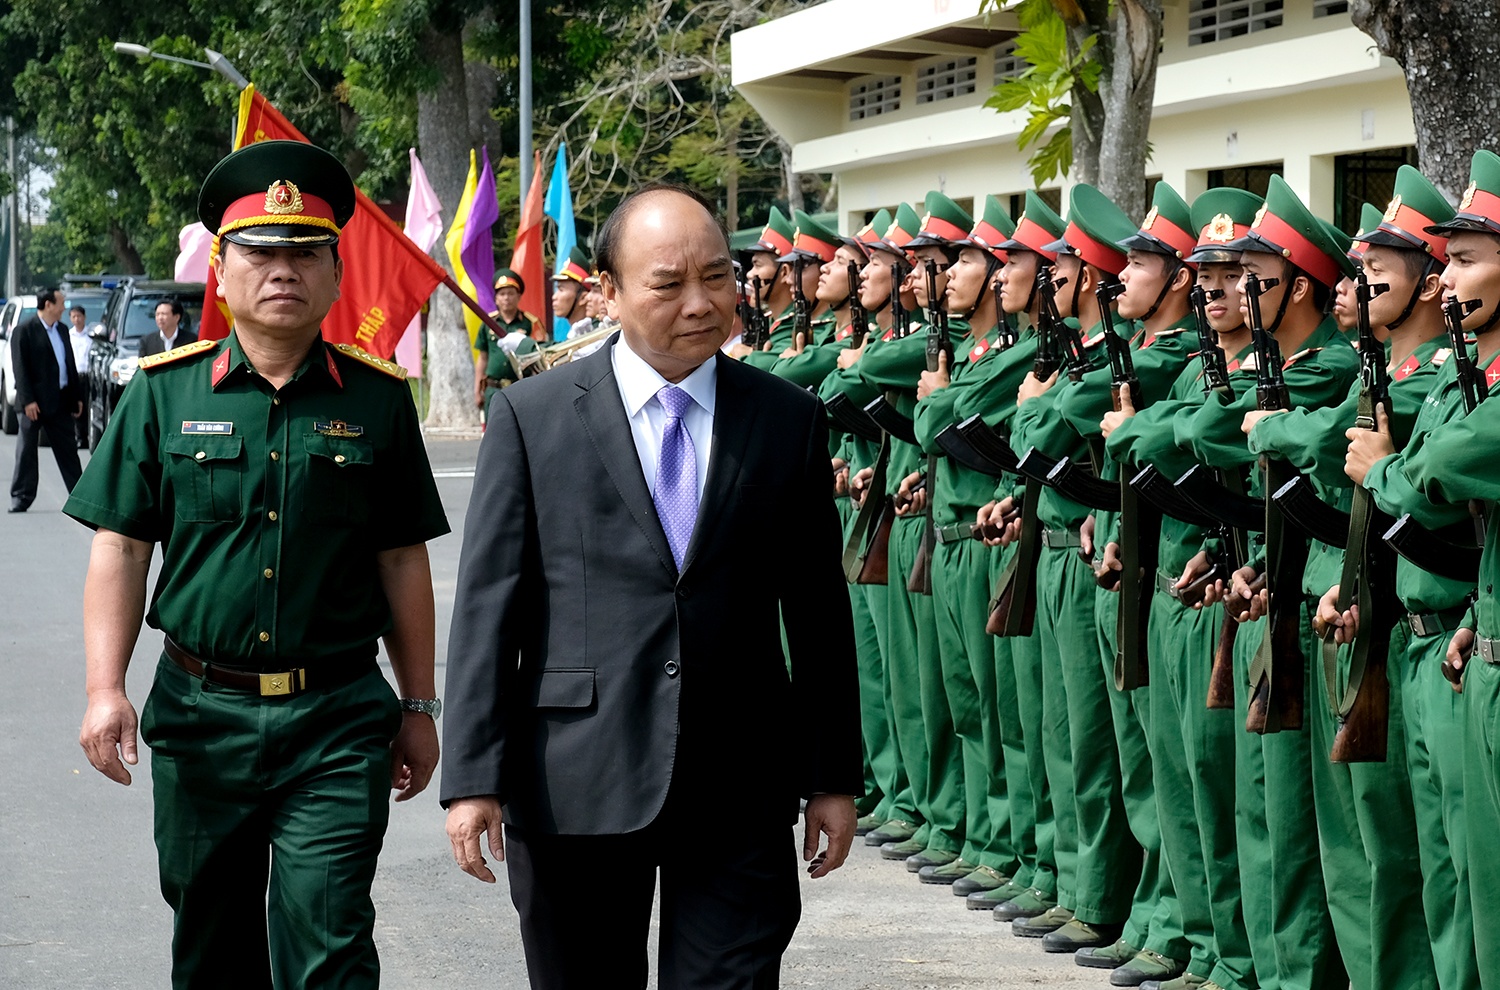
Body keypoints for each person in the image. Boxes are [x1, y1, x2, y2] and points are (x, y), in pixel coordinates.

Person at [442, 183, 862, 990]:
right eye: (669, 284)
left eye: (718, 276)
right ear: (608, 291)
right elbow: (491, 611)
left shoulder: (787, 420)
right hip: (575, 779)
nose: (701, 304)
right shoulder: (534, 417)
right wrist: (473, 777)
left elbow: (816, 613)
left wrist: (832, 777)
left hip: (738, 781)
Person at [64, 139, 449, 989]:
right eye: (261, 254)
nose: (284, 270)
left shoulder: (378, 402)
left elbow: (401, 558)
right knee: (212, 948)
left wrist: (417, 703)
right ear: (224, 274)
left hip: (337, 719)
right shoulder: (163, 394)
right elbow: (121, 547)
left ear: (336, 276)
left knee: (331, 945)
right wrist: (104, 687)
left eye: (306, 253)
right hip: (202, 717)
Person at [8, 286, 83, 512]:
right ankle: (21, 496)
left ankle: (81, 497)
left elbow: (69, 365)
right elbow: (19, 368)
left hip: (60, 400)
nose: (64, 308)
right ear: (48, 304)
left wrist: (77, 396)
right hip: (34, 403)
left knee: (68, 451)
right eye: (61, 303)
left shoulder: (61, 329)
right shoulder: (25, 330)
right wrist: (28, 400)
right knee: (27, 451)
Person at [473, 268, 541, 411]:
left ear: (519, 296)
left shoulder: (531, 323)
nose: (506, 298)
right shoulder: (488, 323)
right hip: (493, 390)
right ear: (496, 298)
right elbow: (483, 358)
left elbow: (539, 356)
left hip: (521, 388)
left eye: (511, 293)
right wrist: (477, 389)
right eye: (502, 294)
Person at [68, 304, 91, 449]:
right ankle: (78, 436)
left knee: (87, 406)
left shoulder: (91, 335)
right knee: (75, 407)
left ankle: (87, 436)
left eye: (79, 316)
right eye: (74, 317)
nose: (77, 320)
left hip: (88, 376)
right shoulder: (68, 335)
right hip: (74, 376)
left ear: (84, 317)